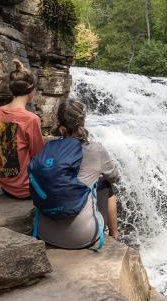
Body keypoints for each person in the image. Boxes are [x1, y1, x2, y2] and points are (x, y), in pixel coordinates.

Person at [36, 99, 119, 249]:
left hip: (45, 233)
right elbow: (114, 177)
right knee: (106, 185)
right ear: (82, 121)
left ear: (59, 121)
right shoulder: (95, 149)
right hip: (81, 237)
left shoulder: (49, 147)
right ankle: (115, 237)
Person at [0, 59, 44, 198]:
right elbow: (39, 156)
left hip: (5, 186)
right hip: (25, 190)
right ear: (31, 88)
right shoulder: (31, 119)